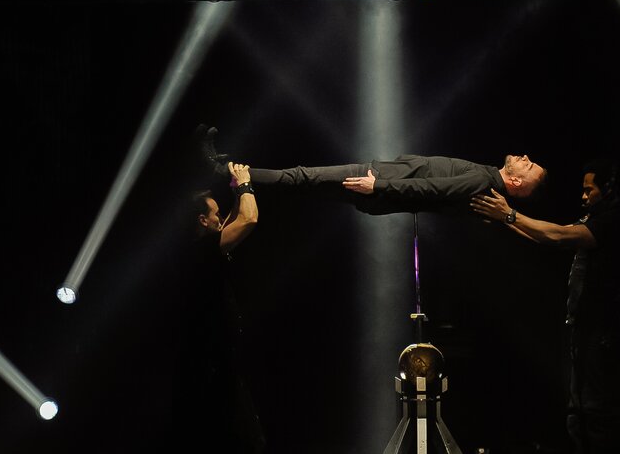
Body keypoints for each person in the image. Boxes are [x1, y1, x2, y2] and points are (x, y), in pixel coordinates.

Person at [471, 156, 620, 453]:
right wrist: (503, 220)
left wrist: (509, 215)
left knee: (596, 409)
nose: (583, 197)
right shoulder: (592, 219)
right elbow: (547, 235)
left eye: (589, 190)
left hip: (601, 330)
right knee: (577, 409)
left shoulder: (614, 220)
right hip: (581, 328)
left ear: (608, 189)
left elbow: (559, 236)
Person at [197, 126, 547, 215]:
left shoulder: (483, 180)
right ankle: (225, 172)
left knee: (301, 177)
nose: (524, 157)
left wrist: (377, 186)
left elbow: (432, 190)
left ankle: (221, 170)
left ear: (516, 180)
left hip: (377, 182)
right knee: (302, 182)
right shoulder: (485, 179)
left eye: (528, 165)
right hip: (379, 182)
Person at [175, 160, 266, 452]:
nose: (220, 219)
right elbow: (248, 220)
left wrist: (235, 187)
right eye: (215, 215)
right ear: (202, 221)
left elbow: (232, 220)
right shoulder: (200, 250)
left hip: (218, 364)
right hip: (211, 369)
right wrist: (245, 184)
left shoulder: (202, 248)